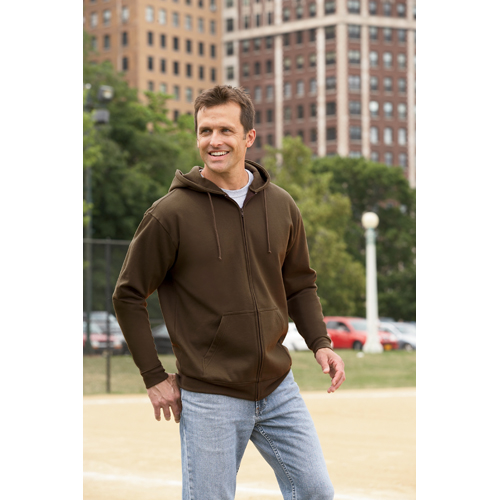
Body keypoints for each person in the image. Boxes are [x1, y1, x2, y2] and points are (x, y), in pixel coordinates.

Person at [113, 85, 346, 500]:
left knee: (316, 492)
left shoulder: (282, 205)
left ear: (248, 137)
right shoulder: (170, 214)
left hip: (278, 388)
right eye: (205, 131)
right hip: (210, 396)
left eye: (225, 130)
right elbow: (128, 295)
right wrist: (153, 377)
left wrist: (320, 342)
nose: (213, 141)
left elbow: (299, 284)